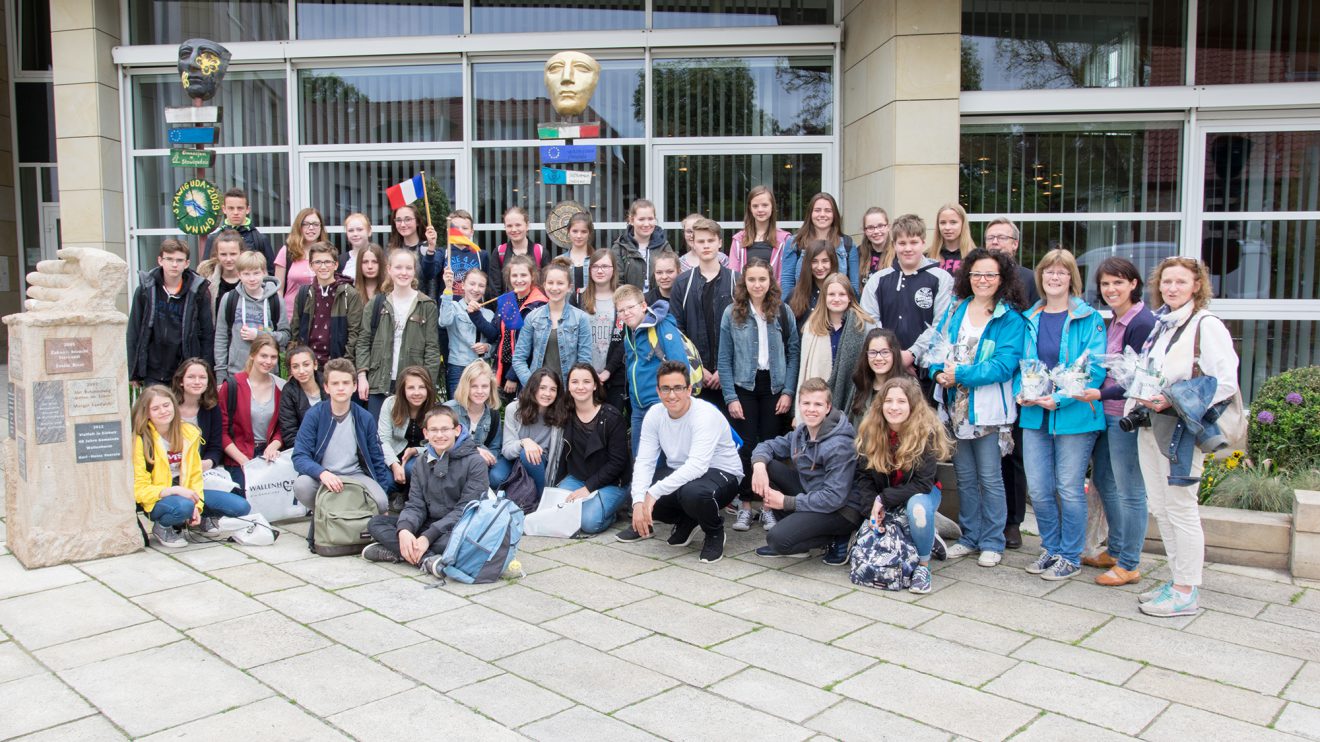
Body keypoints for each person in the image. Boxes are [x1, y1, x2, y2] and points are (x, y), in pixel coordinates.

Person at [1131, 257, 1238, 617]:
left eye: (1180, 282)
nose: (1172, 288)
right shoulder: (1163, 324)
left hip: (1182, 429)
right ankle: (1176, 580)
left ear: (1197, 286)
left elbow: (1224, 382)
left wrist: (1172, 397)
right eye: (1166, 281)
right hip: (1153, 424)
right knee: (1161, 507)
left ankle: (1186, 589)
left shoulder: (1206, 325)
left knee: (1181, 508)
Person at [929, 248, 1027, 568]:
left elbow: (1004, 365)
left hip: (987, 411)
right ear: (967, 277)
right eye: (976, 274)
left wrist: (961, 374)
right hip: (955, 409)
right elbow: (934, 347)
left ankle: (993, 540)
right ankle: (970, 537)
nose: (982, 280)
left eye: (990, 275)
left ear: (1002, 279)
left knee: (990, 477)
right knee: (966, 476)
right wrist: (936, 372)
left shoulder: (1009, 318)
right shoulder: (956, 309)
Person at [1018, 248, 1107, 581]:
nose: (1054, 278)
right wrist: (1021, 390)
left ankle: (1071, 554)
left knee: (1069, 489)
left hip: (1074, 415)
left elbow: (1093, 370)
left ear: (1072, 278)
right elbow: (1020, 364)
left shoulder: (1089, 318)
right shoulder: (1031, 317)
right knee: (1039, 489)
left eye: (1062, 272)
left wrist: (1059, 399)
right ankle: (1051, 547)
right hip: (1034, 415)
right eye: (1048, 272)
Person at [1075, 257, 1156, 586]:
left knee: (1130, 491)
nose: (1111, 289)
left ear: (1134, 284)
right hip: (1107, 415)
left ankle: (1130, 563)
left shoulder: (1141, 322)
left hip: (1126, 417)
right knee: (1106, 483)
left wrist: (1099, 393)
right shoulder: (1115, 319)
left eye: (1118, 283)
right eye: (1106, 284)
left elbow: (1141, 378)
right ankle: (1117, 550)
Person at [618, 361, 743, 564]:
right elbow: (644, 461)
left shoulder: (704, 414)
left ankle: (714, 533)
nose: (672, 395)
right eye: (666, 388)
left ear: (689, 390)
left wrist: (653, 493)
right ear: (658, 391)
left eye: (678, 388)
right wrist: (639, 500)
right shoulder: (654, 414)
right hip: (683, 473)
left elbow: (698, 466)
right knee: (644, 492)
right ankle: (688, 520)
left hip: (722, 473)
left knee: (692, 493)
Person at [717, 259, 799, 532]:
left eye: (762, 279)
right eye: (751, 279)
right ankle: (746, 505)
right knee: (746, 448)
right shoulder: (732, 313)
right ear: (744, 282)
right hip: (744, 387)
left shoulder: (783, 312)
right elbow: (724, 358)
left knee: (771, 448)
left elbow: (793, 353)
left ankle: (768, 507)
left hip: (774, 387)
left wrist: (788, 391)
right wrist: (730, 396)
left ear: (770, 281)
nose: (757, 285)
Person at [360, 406, 488, 575]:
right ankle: (426, 559)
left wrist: (428, 537)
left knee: (458, 542)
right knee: (376, 523)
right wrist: (405, 530)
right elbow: (415, 504)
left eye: (445, 429)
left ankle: (399, 551)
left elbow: (465, 510)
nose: (439, 435)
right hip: (428, 523)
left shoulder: (475, 462)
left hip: (458, 527)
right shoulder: (421, 461)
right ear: (426, 434)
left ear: (457, 430)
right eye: (434, 430)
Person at [854, 377, 954, 593]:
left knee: (916, 508)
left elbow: (923, 483)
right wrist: (871, 507)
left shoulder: (924, 432)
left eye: (901, 401)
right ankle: (927, 535)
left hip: (923, 493)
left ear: (912, 405)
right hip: (887, 496)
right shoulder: (871, 431)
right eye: (888, 401)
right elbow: (863, 476)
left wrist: (883, 499)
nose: (894, 407)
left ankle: (923, 567)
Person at [750, 378, 859, 562]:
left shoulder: (839, 444)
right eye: (806, 403)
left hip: (842, 510)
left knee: (777, 540)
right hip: (813, 496)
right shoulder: (802, 433)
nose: (811, 409)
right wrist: (759, 466)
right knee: (767, 465)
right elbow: (767, 446)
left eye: (818, 404)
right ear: (799, 405)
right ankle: (800, 533)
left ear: (828, 407)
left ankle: (837, 538)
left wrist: (786, 502)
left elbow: (834, 497)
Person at [133, 386, 251, 548]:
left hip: (187, 491)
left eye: (166, 405)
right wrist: (175, 491)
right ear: (146, 413)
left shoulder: (188, 433)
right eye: (155, 408)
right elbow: (140, 489)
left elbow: (195, 476)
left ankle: (199, 519)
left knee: (241, 506)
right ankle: (163, 527)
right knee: (183, 506)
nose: (163, 411)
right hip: (158, 496)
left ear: (174, 405)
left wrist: (197, 506)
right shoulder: (141, 439)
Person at [982, 217, 1036, 549]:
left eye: (1002, 238)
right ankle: (986, 519)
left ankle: (1012, 522)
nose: (996, 243)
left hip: (1014, 377)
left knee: (1011, 453)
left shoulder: (1029, 279)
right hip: (982, 378)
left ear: (1015, 243)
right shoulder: (979, 277)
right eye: (990, 237)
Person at [292, 358, 392, 515]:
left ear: (354, 386)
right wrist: (322, 473)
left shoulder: (364, 418)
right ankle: (327, 516)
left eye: (345, 383)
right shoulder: (314, 415)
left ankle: (340, 514)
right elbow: (299, 456)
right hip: (324, 477)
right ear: (326, 387)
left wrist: (383, 493)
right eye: (335, 383)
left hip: (355, 475)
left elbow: (376, 458)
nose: (340, 388)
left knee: (380, 503)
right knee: (301, 485)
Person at [859, 214, 954, 377]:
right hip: (885, 370)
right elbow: (869, 322)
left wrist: (912, 354)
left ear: (923, 243)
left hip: (926, 371)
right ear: (894, 245)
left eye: (914, 242)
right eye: (902, 243)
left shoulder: (941, 278)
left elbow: (942, 324)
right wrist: (894, 358)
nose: (908, 248)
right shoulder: (877, 280)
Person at [356, 248, 440, 419]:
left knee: (409, 436)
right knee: (377, 435)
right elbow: (363, 341)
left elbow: (432, 349)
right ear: (389, 269)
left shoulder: (426, 305)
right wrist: (362, 376)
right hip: (379, 381)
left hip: (412, 384)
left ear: (414, 270)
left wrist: (426, 385)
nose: (404, 272)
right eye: (398, 267)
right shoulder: (377, 303)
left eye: (408, 268)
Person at [671, 218, 737, 416]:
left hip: (731, 379)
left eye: (710, 240)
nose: (706, 245)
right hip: (695, 378)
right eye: (701, 241)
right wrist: (698, 367)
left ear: (719, 242)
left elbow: (743, 330)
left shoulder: (737, 281)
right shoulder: (682, 283)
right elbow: (677, 331)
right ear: (693, 243)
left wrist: (724, 370)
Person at [129, 238, 215, 388]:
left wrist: (206, 371)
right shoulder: (145, 290)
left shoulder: (198, 292)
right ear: (160, 260)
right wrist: (133, 370)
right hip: (153, 371)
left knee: (185, 411)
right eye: (169, 259)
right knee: (159, 411)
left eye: (179, 260)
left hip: (186, 370)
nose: (174, 265)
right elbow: (134, 331)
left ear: (187, 263)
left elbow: (207, 335)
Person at [556, 363, 631, 534]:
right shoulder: (565, 414)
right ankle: (597, 506)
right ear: (568, 386)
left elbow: (618, 463)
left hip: (612, 483)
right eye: (575, 382)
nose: (580, 387)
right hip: (577, 478)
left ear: (595, 385)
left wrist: (588, 488)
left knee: (589, 523)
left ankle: (611, 514)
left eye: (586, 382)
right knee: (558, 511)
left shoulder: (611, 417)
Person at [617, 284, 690, 453]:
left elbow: (680, 366)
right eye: (621, 310)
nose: (626, 313)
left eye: (630, 307)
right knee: (640, 459)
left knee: (661, 460)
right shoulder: (630, 333)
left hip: (660, 404)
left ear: (643, 306)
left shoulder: (661, 326)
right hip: (638, 406)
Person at [797, 273, 876, 425]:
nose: (836, 299)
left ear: (850, 297)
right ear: (824, 297)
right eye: (831, 294)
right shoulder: (812, 327)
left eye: (842, 294)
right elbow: (804, 370)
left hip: (854, 394)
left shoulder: (864, 326)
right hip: (820, 396)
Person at [219, 335, 286, 489]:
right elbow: (222, 432)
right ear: (252, 355)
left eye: (273, 357)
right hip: (238, 455)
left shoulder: (281, 387)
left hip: (269, 455)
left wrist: (274, 445)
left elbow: (283, 426)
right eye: (263, 356)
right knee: (245, 500)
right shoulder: (232, 385)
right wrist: (243, 461)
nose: (268, 361)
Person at [512, 260, 592, 385]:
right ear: (544, 285)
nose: (554, 288)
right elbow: (518, 358)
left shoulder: (581, 318)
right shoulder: (532, 317)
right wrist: (532, 385)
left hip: (568, 390)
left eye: (560, 283)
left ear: (569, 287)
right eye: (550, 283)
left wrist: (576, 387)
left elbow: (584, 362)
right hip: (539, 390)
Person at [214, 250, 287, 385]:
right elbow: (221, 338)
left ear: (264, 273)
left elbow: (285, 336)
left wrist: (259, 335)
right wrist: (220, 376)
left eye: (256, 273)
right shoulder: (229, 299)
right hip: (237, 371)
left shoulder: (275, 300)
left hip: (269, 372)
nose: (252, 279)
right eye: (246, 274)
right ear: (239, 275)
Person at [493, 367, 566, 493]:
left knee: (529, 456)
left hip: (538, 463)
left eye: (553, 389)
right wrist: (524, 442)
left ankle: (541, 498)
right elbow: (507, 450)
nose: (547, 394)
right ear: (533, 388)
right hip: (513, 458)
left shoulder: (560, 414)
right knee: (496, 477)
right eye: (542, 388)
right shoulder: (514, 409)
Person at [290, 241, 363, 368]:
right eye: (317, 262)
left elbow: (354, 334)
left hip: (337, 364)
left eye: (327, 262)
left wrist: (345, 364)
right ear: (311, 266)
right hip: (308, 365)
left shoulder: (348, 293)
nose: (323, 267)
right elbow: (295, 331)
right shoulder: (304, 293)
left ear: (336, 265)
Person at [378, 365, 437, 510]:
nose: (416, 393)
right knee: (386, 481)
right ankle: (397, 494)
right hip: (393, 455)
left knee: (412, 468)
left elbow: (437, 444)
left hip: (420, 456)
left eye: (421, 387)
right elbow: (383, 439)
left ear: (428, 389)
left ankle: (410, 496)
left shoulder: (435, 409)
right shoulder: (391, 404)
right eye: (411, 388)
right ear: (403, 390)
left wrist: (415, 450)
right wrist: (394, 464)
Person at [575, 248, 626, 409]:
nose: (600, 270)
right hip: (584, 376)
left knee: (613, 424)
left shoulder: (623, 298)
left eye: (605, 266)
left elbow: (626, 340)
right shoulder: (578, 298)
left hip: (614, 375)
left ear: (613, 269)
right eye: (595, 267)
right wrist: (587, 372)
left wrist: (608, 371)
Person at [781, 193, 859, 297]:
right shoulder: (795, 242)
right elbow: (787, 281)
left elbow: (853, 285)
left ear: (834, 214)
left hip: (836, 306)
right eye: (817, 210)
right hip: (803, 307)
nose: (822, 214)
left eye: (828, 210)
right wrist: (788, 310)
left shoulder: (847, 244)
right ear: (810, 213)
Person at [494, 255, 548, 398]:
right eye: (515, 275)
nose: (519, 279)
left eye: (523, 275)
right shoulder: (507, 300)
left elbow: (532, 344)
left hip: (523, 369)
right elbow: (496, 334)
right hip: (503, 365)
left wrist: (513, 375)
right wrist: (475, 314)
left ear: (533, 276)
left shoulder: (539, 304)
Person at [439, 266, 498, 397]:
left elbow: (495, 342)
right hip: (458, 367)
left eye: (481, 286)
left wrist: (487, 347)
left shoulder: (488, 313)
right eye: (472, 284)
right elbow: (444, 321)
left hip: (481, 368)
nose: (476, 289)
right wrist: (448, 289)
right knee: (457, 408)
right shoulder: (454, 307)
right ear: (463, 285)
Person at [444, 360, 503, 481]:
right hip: (453, 460)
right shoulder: (449, 410)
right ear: (466, 387)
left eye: (484, 386)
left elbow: (495, 446)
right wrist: (473, 452)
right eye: (474, 386)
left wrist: (487, 458)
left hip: (481, 464)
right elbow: (439, 444)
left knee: (496, 477)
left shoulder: (492, 413)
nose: (480, 391)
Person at [848, 328, 912, 427]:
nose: (878, 358)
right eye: (873, 352)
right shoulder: (861, 383)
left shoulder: (909, 384)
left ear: (894, 353)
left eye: (885, 352)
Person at [172, 359, 223, 473]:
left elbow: (215, 447)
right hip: (170, 471)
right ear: (181, 380)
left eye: (202, 377)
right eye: (191, 377)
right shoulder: (168, 407)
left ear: (208, 382)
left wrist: (208, 462)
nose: (197, 381)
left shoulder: (212, 409)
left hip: (200, 471)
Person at [728, 185, 790, 279]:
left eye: (765, 205)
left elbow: (787, 277)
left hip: (775, 293)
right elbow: (732, 275)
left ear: (772, 207)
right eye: (755, 206)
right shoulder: (738, 240)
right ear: (750, 208)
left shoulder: (785, 240)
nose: (760, 210)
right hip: (745, 293)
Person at [205, 187, 274, 270]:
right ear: (224, 209)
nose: (235, 212)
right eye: (231, 208)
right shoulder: (213, 239)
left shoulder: (260, 240)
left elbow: (270, 272)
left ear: (248, 209)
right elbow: (206, 272)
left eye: (240, 208)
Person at [612, 199, 672, 291]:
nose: (646, 224)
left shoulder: (664, 246)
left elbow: (672, 276)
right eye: (641, 219)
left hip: (660, 301)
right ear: (631, 220)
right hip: (629, 302)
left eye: (650, 219)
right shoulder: (620, 247)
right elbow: (617, 281)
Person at [274, 208, 322, 321]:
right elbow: (278, 290)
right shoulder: (287, 252)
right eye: (306, 224)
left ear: (321, 227)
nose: (311, 228)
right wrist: (279, 317)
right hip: (291, 316)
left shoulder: (327, 252)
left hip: (320, 317)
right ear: (298, 227)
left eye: (315, 224)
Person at [438, 209, 495, 299]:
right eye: (456, 228)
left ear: (471, 232)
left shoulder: (481, 255)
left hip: (473, 307)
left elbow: (488, 285)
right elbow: (429, 273)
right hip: (449, 307)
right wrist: (431, 248)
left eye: (465, 228)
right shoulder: (443, 253)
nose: (460, 231)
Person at [387, 203, 439, 292]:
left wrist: (431, 247)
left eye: (408, 219)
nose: (403, 224)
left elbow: (430, 276)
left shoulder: (428, 249)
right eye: (398, 220)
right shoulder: (390, 251)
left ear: (417, 221)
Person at [786, 240, 840, 326]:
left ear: (833, 262)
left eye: (825, 261)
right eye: (814, 261)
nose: (819, 267)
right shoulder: (795, 294)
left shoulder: (843, 292)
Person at [279, 346, 322, 449]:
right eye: (295, 367)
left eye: (306, 365)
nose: (301, 371)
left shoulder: (329, 383)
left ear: (315, 365)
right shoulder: (288, 391)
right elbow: (289, 433)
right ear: (291, 370)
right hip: (304, 450)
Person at [495, 206, 546, 294]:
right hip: (507, 306)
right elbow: (495, 288)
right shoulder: (499, 252)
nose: (514, 229)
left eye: (518, 225)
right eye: (509, 226)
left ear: (527, 226)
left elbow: (545, 285)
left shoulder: (540, 252)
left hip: (536, 306)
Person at [196, 229, 243, 319]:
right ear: (217, 254)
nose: (228, 259)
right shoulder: (206, 278)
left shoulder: (251, 277)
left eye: (233, 254)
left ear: (241, 253)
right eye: (223, 254)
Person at [929, 202, 975, 276]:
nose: (947, 227)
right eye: (943, 223)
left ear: (963, 224)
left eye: (953, 222)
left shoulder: (975, 256)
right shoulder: (927, 256)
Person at [562, 212, 596, 295]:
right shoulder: (560, 261)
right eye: (575, 231)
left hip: (592, 306)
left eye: (584, 232)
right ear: (568, 232)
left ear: (589, 233)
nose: (579, 236)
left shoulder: (597, 259)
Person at [338, 212, 377, 280]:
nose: (355, 234)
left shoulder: (380, 257)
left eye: (359, 229)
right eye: (351, 230)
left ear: (369, 231)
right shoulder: (341, 260)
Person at [858, 207, 890, 285]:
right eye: (870, 227)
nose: (876, 231)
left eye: (880, 226)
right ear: (865, 231)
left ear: (888, 227)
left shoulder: (898, 253)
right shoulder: (858, 253)